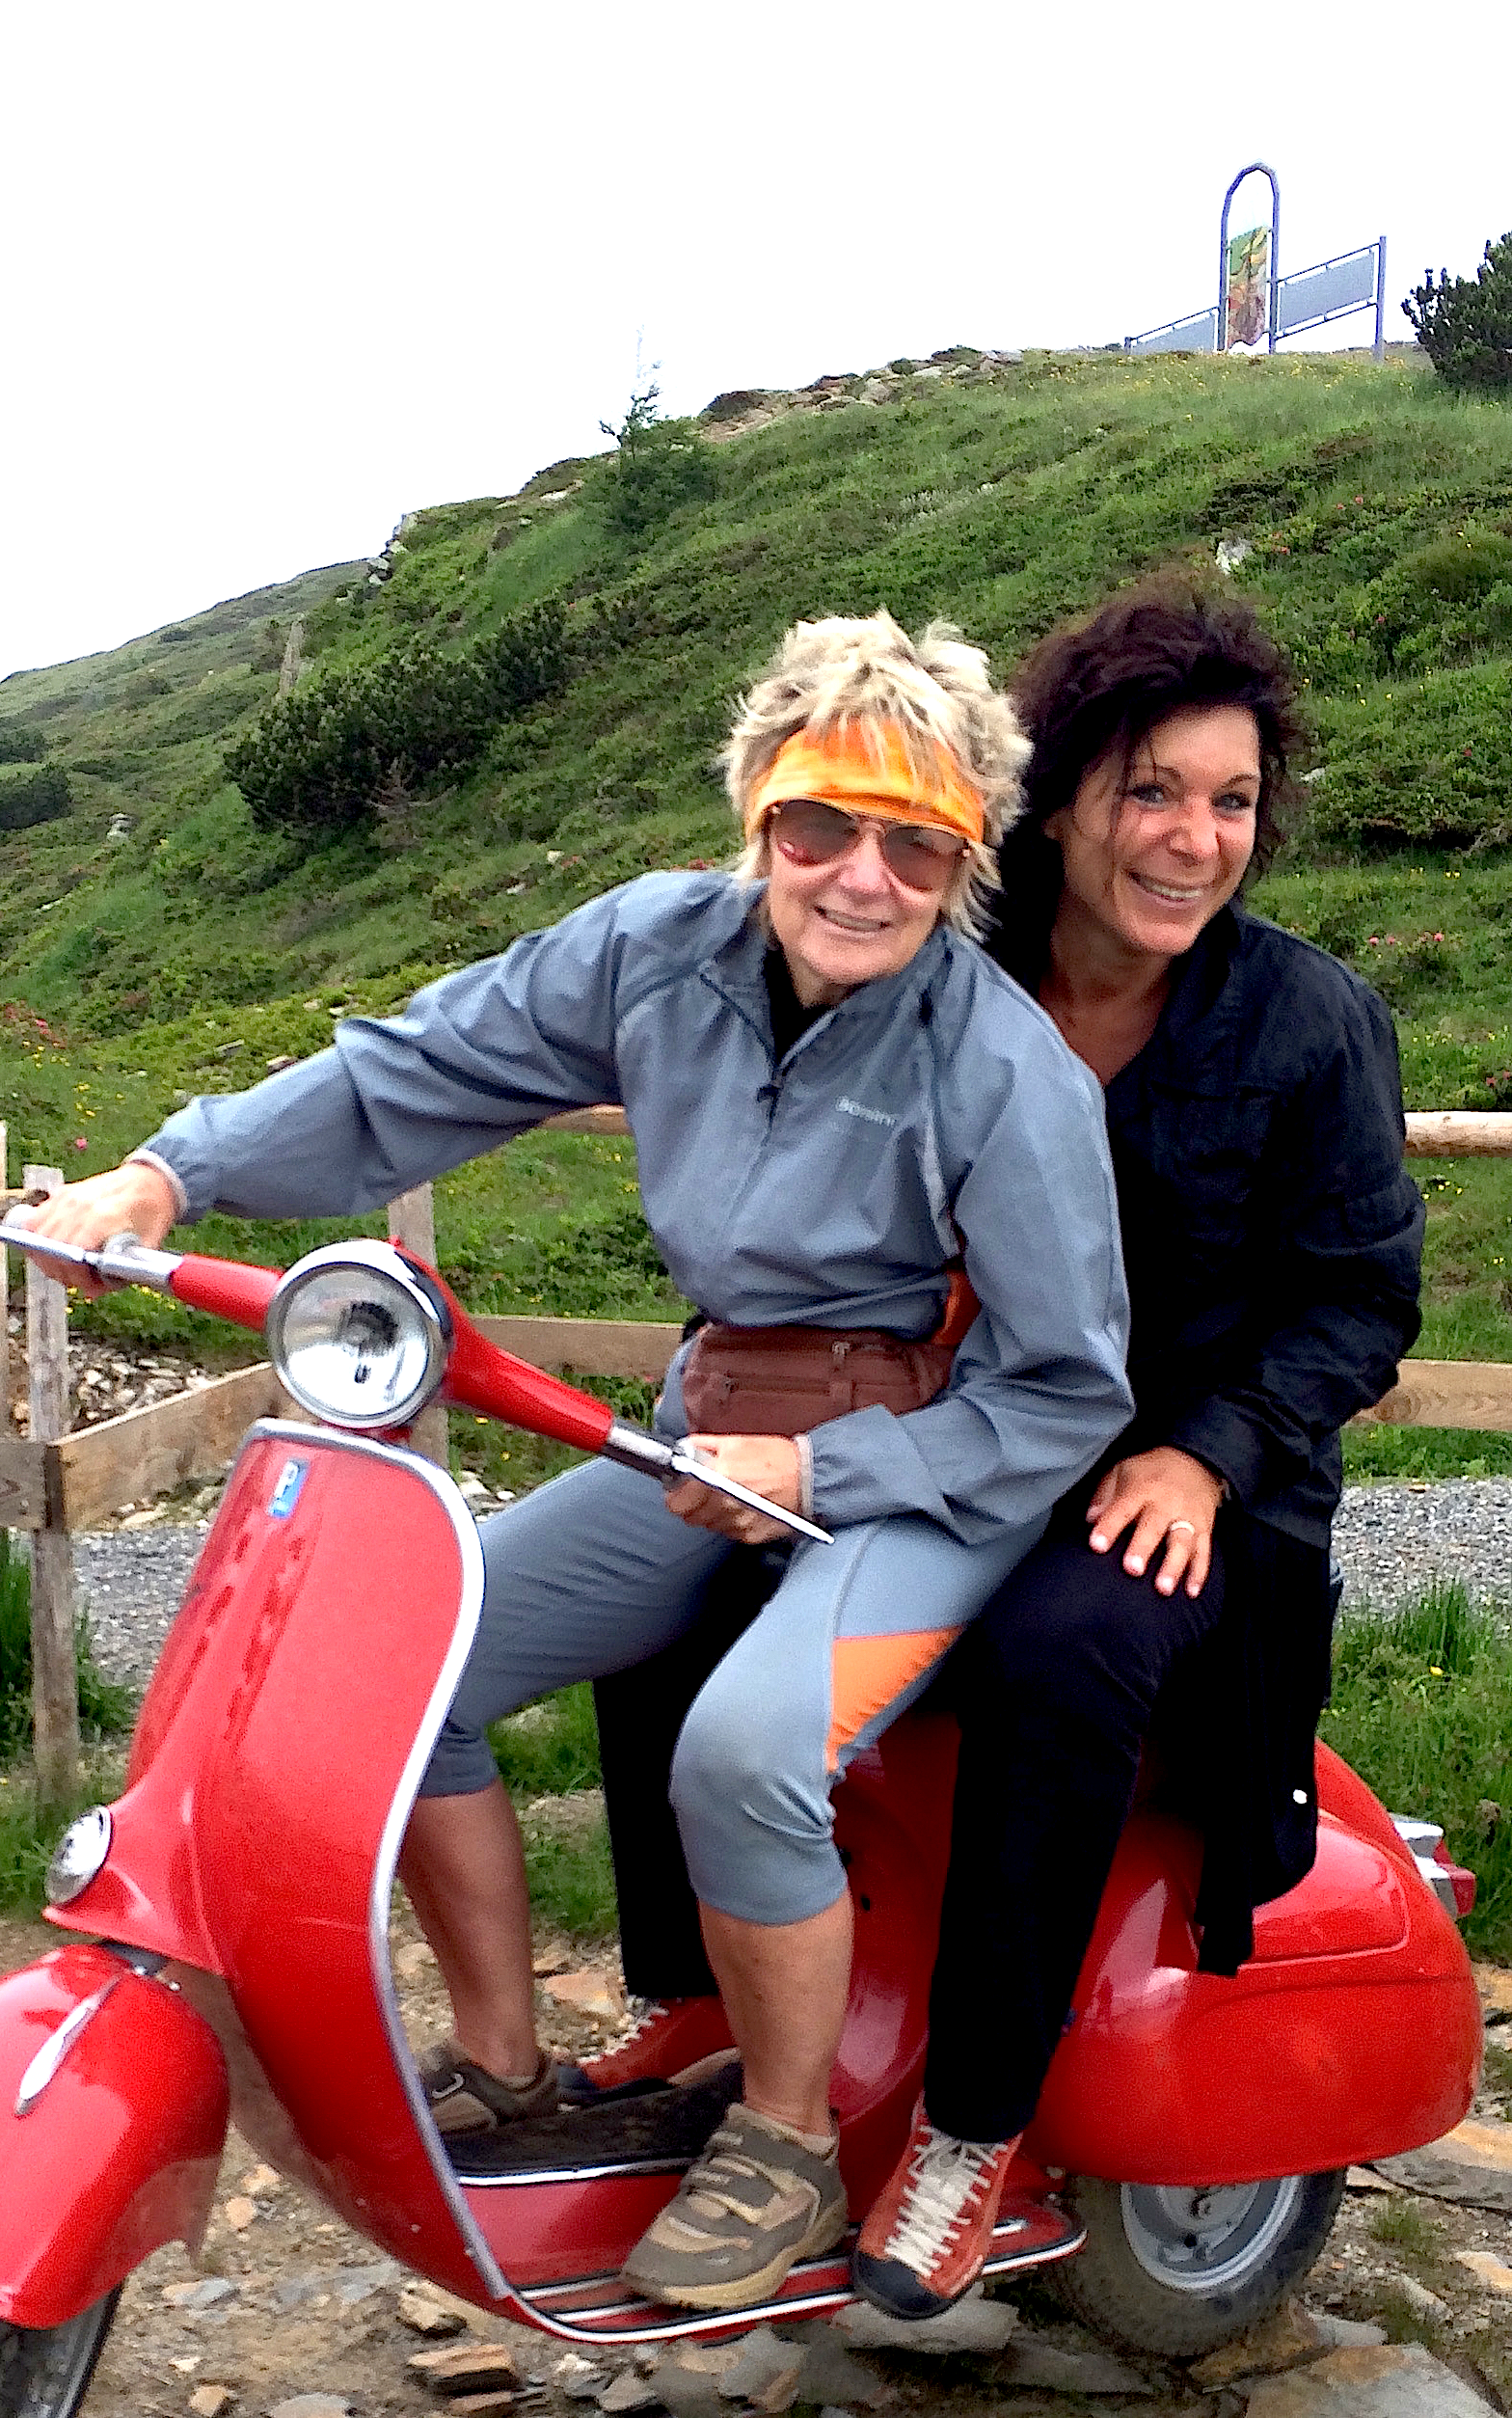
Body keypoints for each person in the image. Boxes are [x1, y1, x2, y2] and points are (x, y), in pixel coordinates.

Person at [14, 609, 1133, 2313]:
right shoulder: (649, 950)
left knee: (741, 1751)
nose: (858, 877)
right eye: (818, 825)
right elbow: (418, 1069)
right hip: (706, 1426)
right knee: (412, 1666)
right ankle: (506, 2054)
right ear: (756, 807)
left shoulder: (1004, 1067)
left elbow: (1061, 1396)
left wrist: (827, 1475)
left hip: (913, 1468)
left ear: (964, 860)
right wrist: (169, 1177)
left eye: (916, 845)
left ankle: (777, 2141)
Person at [581, 574, 1425, 2318]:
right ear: (1061, 804)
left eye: (1231, 800)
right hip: (942, 1445)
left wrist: (1204, 1446)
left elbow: (1354, 1300)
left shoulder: (1306, 1021)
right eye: (1150, 791)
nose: (1191, 839)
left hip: (1185, 1493)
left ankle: (970, 2127)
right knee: (679, 1549)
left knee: (1061, 1652)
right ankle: (700, 1993)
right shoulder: (942, 972)